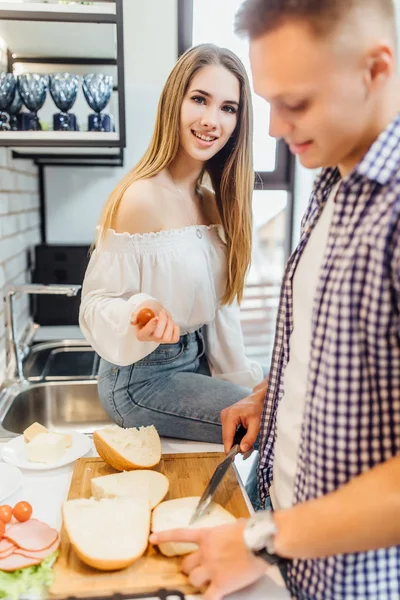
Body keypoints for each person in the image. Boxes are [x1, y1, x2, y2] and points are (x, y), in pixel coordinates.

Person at [150, 1, 400, 599]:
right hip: (280, 545)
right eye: (266, 103)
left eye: (296, 103)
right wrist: (271, 399)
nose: (271, 130)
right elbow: (333, 353)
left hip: (343, 580)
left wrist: (262, 539)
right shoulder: (334, 181)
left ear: (375, 69)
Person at [79, 43, 264, 444]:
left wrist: (244, 387)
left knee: (270, 408)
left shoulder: (214, 204)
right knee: (272, 427)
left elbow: (221, 313)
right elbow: (95, 304)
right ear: (174, 103)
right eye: (199, 99)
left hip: (194, 362)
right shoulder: (140, 198)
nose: (211, 120)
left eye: (228, 108)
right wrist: (139, 310)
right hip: (140, 379)